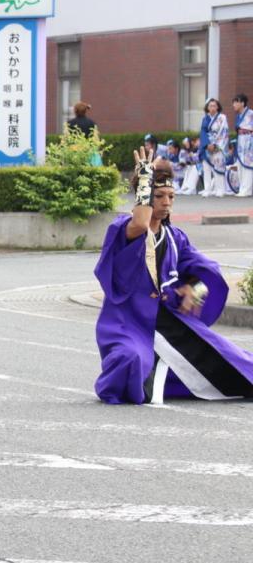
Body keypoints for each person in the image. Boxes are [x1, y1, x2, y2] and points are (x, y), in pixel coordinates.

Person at [93, 149, 253, 404]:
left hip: (170, 322)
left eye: (171, 196)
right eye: (159, 196)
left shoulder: (176, 238)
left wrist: (194, 289)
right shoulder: (123, 228)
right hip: (128, 321)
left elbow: (205, 270)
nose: (167, 202)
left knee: (231, 360)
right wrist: (144, 177)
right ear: (145, 196)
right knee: (130, 362)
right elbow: (141, 224)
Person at [232, 93, 253, 197]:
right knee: (240, 165)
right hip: (241, 141)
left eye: (236, 102)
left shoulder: (251, 114)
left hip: (249, 142)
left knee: (248, 166)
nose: (234, 105)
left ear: (242, 103)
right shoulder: (238, 116)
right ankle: (242, 188)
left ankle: (247, 189)